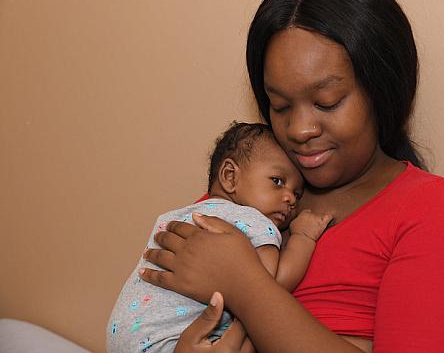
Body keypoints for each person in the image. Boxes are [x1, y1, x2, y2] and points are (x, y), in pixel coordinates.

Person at [138, 0, 444, 352]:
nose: (300, 129)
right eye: (279, 106)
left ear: (382, 91)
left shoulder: (432, 211)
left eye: (326, 102)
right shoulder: (252, 192)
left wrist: (245, 285)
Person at [107, 122, 332, 353]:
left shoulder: (181, 214)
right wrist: (303, 237)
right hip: (168, 343)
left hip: (124, 334)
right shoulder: (252, 219)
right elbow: (271, 286)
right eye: (277, 181)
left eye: (297, 193)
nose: (290, 199)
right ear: (230, 176)